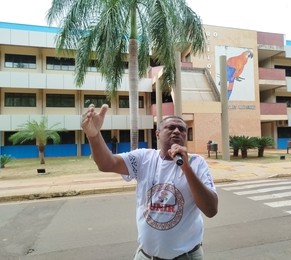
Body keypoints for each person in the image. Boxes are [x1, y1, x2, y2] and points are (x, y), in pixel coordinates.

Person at [81, 104, 218, 260]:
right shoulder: (143, 158)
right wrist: (94, 135)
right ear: (157, 134)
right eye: (170, 127)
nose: (177, 131)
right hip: (146, 256)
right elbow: (108, 164)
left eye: (182, 129)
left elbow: (211, 209)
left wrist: (186, 167)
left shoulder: (197, 163)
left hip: (186, 256)